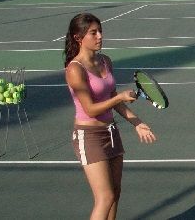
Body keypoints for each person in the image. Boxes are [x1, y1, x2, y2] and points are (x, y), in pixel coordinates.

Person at [64, 13, 157, 219]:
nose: (100, 36)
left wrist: (137, 122)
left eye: (100, 31)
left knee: (115, 193)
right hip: (89, 137)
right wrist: (118, 98)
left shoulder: (105, 60)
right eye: (93, 33)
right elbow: (90, 109)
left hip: (111, 132)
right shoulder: (74, 69)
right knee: (105, 197)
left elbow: (113, 96)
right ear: (79, 38)